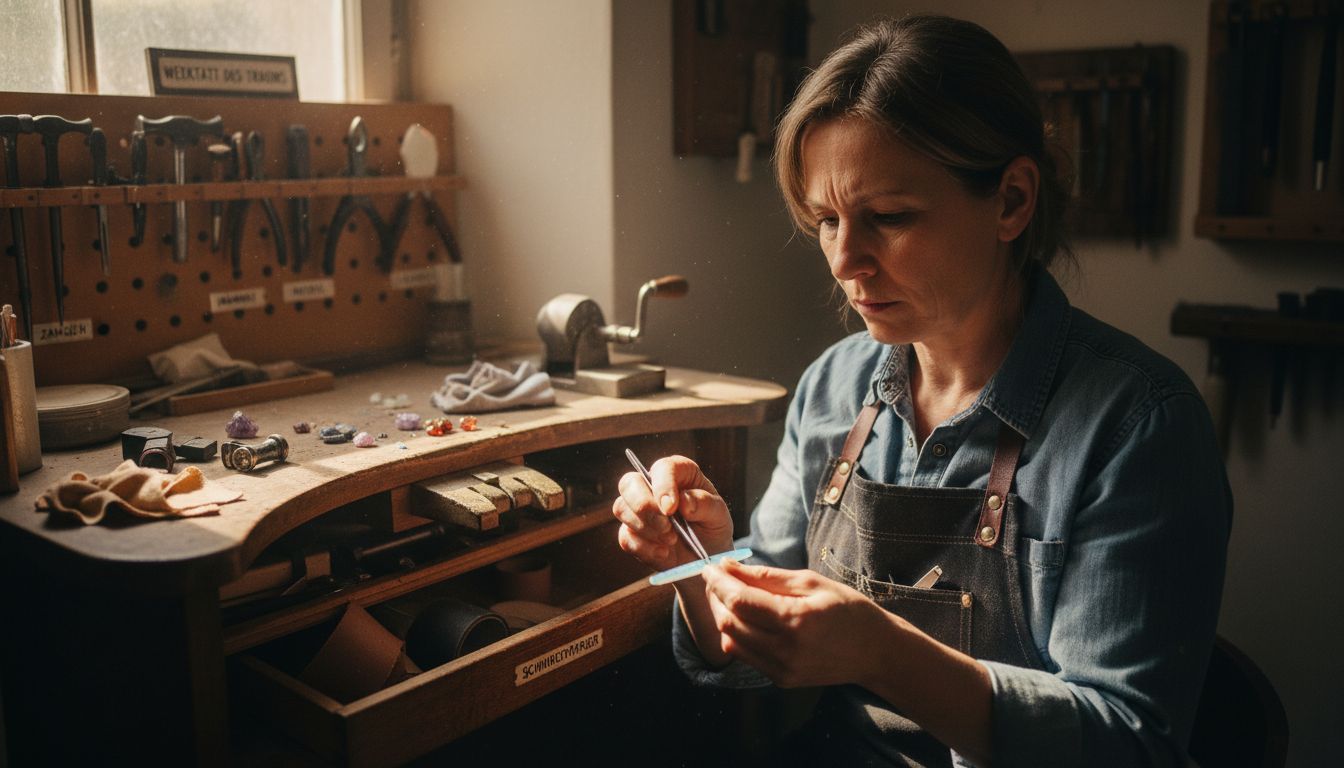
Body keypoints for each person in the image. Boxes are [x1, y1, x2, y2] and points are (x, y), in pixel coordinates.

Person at [611, 13, 1230, 768]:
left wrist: (885, 653)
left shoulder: (1137, 426)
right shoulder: (833, 390)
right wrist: (702, 558)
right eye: (826, 220)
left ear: (1010, 201)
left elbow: (1130, 747)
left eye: (889, 218)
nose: (845, 260)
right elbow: (747, 658)